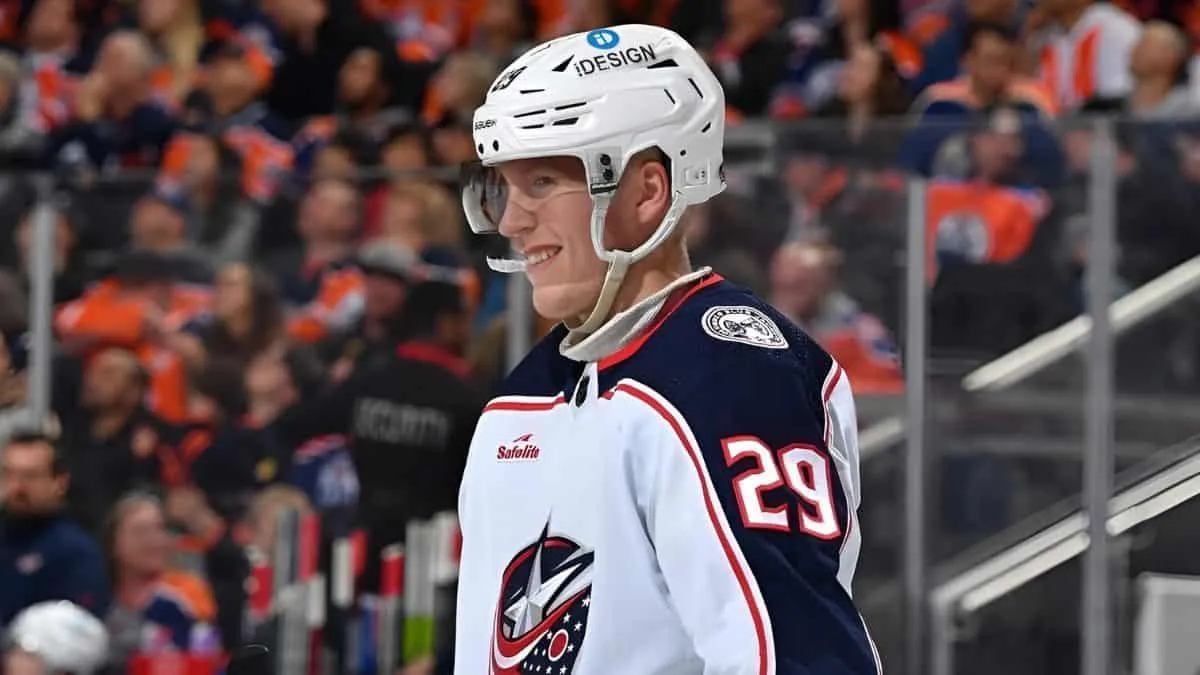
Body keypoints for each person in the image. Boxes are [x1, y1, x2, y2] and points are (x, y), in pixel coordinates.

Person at [453, 24, 880, 674]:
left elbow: (793, 657)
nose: (511, 220)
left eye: (541, 182)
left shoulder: (730, 376)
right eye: (502, 189)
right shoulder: (524, 396)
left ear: (647, 192)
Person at [0, 430, 110, 627]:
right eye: (7, 474)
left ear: (59, 483)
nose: (16, 487)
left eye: (30, 476)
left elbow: (76, 634)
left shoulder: (74, 553)